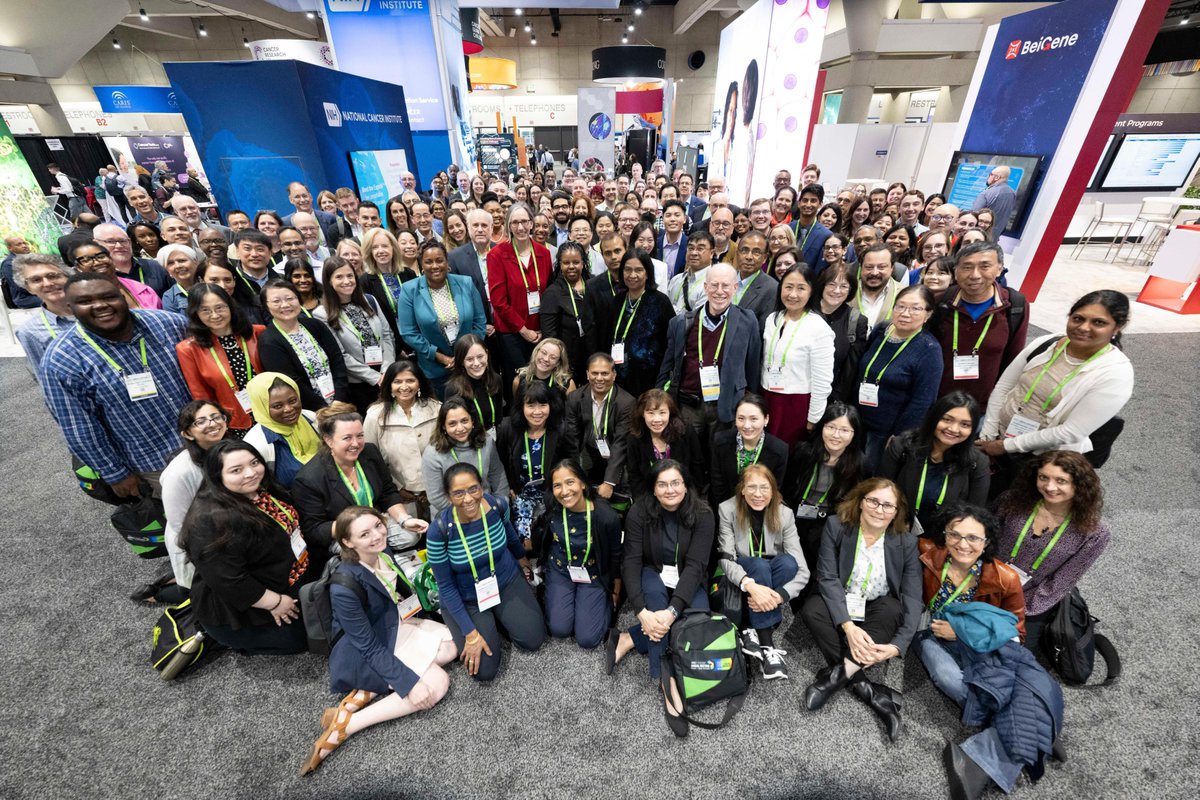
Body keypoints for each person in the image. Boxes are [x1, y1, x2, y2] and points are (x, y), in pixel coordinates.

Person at [302, 506, 457, 776]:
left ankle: (368, 690)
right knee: (435, 686)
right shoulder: (343, 586)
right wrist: (408, 684)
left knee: (451, 646)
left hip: (393, 625)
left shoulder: (382, 553)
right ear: (348, 543)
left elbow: (400, 596)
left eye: (377, 525)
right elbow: (368, 646)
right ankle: (347, 724)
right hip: (367, 648)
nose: (377, 535)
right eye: (365, 533)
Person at [40, 273, 189, 496]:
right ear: (70, 307)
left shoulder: (168, 324)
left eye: (108, 296)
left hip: (208, 442)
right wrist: (116, 474)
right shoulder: (62, 360)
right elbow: (79, 427)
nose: (100, 305)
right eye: (85, 301)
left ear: (122, 296)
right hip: (153, 463)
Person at [800, 478, 921, 740]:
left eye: (888, 505)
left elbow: (912, 596)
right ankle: (869, 690)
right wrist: (848, 626)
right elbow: (827, 576)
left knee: (892, 609)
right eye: (874, 501)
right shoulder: (836, 526)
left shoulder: (906, 542)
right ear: (861, 502)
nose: (880, 510)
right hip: (841, 598)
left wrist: (898, 645)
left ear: (897, 511)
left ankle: (834, 678)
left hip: (877, 604)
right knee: (812, 610)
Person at [976, 290, 1133, 477]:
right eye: (1078, 318)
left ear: (1118, 327)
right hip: (995, 440)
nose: (1083, 327)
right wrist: (988, 435)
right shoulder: (1047, 344)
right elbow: (1003, 387)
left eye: (1098, 322)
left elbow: (1070, 432)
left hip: (1044, 461)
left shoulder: (1115, 373)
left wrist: (1004, 446)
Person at [179, 440, 312, 654]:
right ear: (217, 476)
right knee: (303, 640)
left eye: (254, 463)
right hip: (245, 602)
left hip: (284, 573)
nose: (251, 473)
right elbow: (229, 580)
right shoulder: (211, 520)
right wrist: (275, 603)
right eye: (236, 470)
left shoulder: (260, 488)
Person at [425, 463, 545, 682]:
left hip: (505, 581)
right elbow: (446, 587)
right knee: (484, 671)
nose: (469, 499)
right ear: (448, 496)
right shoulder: (439, 530)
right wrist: (470, 634)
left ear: (482, 487)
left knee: (533, 639)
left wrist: (522, 559)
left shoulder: (497, 505)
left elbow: (509, 534)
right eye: (458, 493)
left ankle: (498, 618)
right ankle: (489, 621)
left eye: (473, 489)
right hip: (467, 597)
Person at [608, 460, 714, 693]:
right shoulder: (638, 512)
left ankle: (630, 638)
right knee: (654, 605)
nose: (670, 490)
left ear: (686, 486)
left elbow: (696, 566)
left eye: (676, 483)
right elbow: (632, 562)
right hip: (653, 570)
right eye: (662, 484)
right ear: (653, 489)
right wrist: (641, 613)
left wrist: (672, 611)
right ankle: (666, 680)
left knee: (696, 628)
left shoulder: (703, 514)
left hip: (688, 575)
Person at [993, 451, 1110, 652]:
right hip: (987, 580)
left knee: (1009, 654)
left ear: (1079, 485)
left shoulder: (1094, 534)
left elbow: (1062, 581)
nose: (1049, 487)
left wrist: (1016, 606)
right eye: (1043, 477)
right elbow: (986, 538)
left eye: (1061, 481)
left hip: (1030, 599)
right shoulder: (1012, 501)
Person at [293, 402, 428, 569]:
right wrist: (359, 528)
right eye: (347, 438)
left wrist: (404, 519)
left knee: (409, 535)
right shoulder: (309, 479)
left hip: (377, 520)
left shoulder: (369, 453)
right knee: (369, 548)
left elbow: (388, 492)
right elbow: (314, 530)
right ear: (328, 440)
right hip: (344, 533)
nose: (356, 443)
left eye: (360, 436)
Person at [915, 505, 1026, 706]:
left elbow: (1016, 632)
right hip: (927, 631)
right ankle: (990, 710)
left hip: (974, 636)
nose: (962, 544)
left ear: (987, 542)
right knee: (948, 678)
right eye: (954, 535)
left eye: (973, 538)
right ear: (944, 535)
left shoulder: (1006, 579)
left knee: (1006, 678)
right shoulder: (924, 553)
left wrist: (962, 632)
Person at [717, 463, 807, 679]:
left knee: (788, 563)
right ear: (742, 490)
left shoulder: (785, 514)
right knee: (758, 565)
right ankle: (767, 645)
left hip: (772, 576)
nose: (758, 494)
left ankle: (749, 627)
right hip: (743, 571)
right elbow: (725, 559)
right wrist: (750, 585)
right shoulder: (727, 509)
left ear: (773, 490)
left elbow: (802, 569)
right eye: (752, 487)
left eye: (764, 488)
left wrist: (779, 597)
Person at [657, 263, 761, 449]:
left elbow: (752, 365)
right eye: (714, 285)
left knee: (719, 458)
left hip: (726, 405)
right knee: (689, 455)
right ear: (705, 287)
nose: (719, 291)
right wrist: (659, 397)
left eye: (725, 285)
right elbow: (668, 365)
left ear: (735, 287)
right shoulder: (681, 323)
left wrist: (751, 402)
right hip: (689, 405)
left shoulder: (748, 321)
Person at [528, 459, 623, 649]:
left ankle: (597, 601)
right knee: (559, 629)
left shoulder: (606, 517)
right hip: (560, 568)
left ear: (583, 483)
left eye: (570, 482)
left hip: (593, 572)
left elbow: (615, 555)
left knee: (588, 639)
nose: (564, 491)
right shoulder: (552, 505)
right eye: (557, 485)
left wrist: (616, 589)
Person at [928, 242, 1028, 408]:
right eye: (967, 267)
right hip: (936, 400)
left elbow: (1013, 359)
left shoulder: (1015, 306)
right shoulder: (941, 302)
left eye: (985, 266)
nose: (975, 275)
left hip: (982, 406)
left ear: (999, 269)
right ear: (956, 271)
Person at [856, 284, 943, 474]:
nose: (905, 313)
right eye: (901, 306)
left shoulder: (929, 349)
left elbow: (924, 400)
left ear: (928, 314)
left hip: (886, 432)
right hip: (860, 421)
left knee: (872, 475)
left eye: (915, 308)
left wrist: (900, 435)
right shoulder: (881, 331)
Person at [781, 402, 864, 595]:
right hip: (797, 514)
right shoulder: (804, 451)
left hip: (830, 521)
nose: (836, 435)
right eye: (831, 427)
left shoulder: (859, 462)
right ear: (822, 428)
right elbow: (787, 486)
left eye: (844, 430)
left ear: (854, 434)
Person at [881, 392, 990, 534]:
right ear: (934, 417)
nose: (953, 429)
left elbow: (974, 514)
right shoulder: (903, 446)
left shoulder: (977, 463)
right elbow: (880, 491)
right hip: (896, 531)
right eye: (947, 419)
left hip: (941, 541)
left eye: (965, 424)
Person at [760, 263, 836, 447]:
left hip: (796, 403)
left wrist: (814, 418)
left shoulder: (819, 328)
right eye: (788, 287)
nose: (793, 294)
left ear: (811, 291)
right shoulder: (773, 319)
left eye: (801, 288)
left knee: (787, 453)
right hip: (767, 396)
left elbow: (822, 380)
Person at [176, 284, 266, 436]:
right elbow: (201, 396)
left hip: (270, 411)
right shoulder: (188, 349)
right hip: (233, 423)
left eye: (220, 308)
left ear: (230, 306)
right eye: (205, 310)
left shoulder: (257, 332)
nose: (215, 315)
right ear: (195, 313)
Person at [161, 400, 231, 595]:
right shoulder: (179, 473)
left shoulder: (233, 449)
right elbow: (179, 525)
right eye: (200, 421)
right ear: (187, 433)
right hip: (203, 548)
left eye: (216, 417)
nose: (212, 423)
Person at [313, 257, 395, 415]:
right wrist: (375, 378)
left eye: (350, 276)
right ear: (329, 281)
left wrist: (387, 370)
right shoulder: (322, 314)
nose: (346, 281)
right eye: (339, 277)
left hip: (386, 373)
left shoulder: (369, 300)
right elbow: (339, 355)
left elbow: (387, 334)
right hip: (359, 384)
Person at [363, 360, 441, 519]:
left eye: (410, 380)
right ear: (389, 385)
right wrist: (394, 489)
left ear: (419, 383)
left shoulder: (436, 409)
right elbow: (369, 460)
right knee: (408, 537)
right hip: (400, 497)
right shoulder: (374, 416)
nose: (404, 387)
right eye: (397, 382)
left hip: (438, 490)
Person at [488, 202, 553, 389]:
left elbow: (548, 293)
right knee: (518, 381)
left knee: (540, 380)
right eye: (515, 222)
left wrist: (542, 328)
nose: (520, 227)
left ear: (532, 223)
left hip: (540, 331)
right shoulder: (497, 255)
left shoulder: (544, 253)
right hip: (512, 333)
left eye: (525, 221)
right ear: (508, 225)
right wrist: (524, 330)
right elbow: (499, 301)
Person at [258, 280, 349, 410]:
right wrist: (324, 408)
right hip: (310, 410)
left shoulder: (315, 325)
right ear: (266, 306)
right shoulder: (269, 341)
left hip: (341, 401)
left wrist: (339, 399)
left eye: (290, 298)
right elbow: (291, 381)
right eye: (276, 301)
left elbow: (337, 360)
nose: (285, 305)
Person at [563, 353, 636, 501]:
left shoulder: (626, 403)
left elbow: (620, 443)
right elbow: (572, 438)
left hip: (614, 449)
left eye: (605, 373)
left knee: (619, 482)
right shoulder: (575, 398)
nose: (599, 378)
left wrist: (609, 482)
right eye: (595, 373)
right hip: (587, 447)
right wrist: (574, 474)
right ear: (587, 374)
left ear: (614, 375)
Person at [421, 398, 510, 514]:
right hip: (451, 514)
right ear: (443, 426)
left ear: (472, 421)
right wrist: (470, 514)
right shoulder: (432, 453)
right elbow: (436, 497)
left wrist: (499, 504)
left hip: (487, 509)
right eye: (452, 424)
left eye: (464, 421)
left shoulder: (486, 442)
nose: (460, 428)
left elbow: (498, 477)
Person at [609, 252, 673, 398]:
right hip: (619, 378)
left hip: (650, 380)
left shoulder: (660, 301)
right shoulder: (617, 301)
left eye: (638, 270)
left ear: (647, 273)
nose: (632, 275)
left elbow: (670, 342)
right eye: (627, 269)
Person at [624, 388, 706, 499]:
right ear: (642, 414)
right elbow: (634, 476)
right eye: (650, 413)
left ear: (670, 413)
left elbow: (697, 468)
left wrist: (691, 498)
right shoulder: (634, 438)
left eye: (662, 413)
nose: (657, 419)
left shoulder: (685, 432)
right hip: (650, 497)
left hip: (684, 496)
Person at [709, 394, 788, 506]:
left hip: (760, 505)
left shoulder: (779, 450)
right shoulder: (720, 441)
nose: (746, 425)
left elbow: (774, 488)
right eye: (741, 418)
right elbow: (717, 482)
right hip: (725, 504)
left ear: (766, 419)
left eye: (753, 419)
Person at [243, 372, 320, 488]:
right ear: (261, 406)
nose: (289, 409)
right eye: (277, 406)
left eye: (293, 401)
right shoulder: (256, 444)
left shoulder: (311, 418)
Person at [814, 263, 869, 405]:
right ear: (823, 285)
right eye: (831, 284)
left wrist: (836, 401)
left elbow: (850, 370)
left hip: (831, 397)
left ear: (851, 290)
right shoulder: (807, 311)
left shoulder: (857, 321)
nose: (837, 291)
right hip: (798, 390)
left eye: (844, 286)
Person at [539, 242, 592, 387]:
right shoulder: (552, 293)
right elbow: (549, 334)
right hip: (567, 361)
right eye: (566, 263)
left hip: (592, 356)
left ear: (583, 262)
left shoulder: (594, 285)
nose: (571, 266)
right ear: (560, 265)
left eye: (576, 262)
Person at [12, 255, 76, 377]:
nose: (47, 283)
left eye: (53, 276)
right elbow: (45, 377)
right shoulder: (29, 331)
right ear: (28, 288)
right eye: (36, 280)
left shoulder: (95, 310)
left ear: (67, 277)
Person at [444, 334, 506, 438]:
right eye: (469, 359)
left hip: (494, 436)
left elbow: (499, 416)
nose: (476, 363)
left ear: (487, 354)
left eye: (480, 356)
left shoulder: (496, 380)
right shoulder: (453, 389)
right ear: (462, 362)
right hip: (469, 441)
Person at [92, 223, 174, 297]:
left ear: (130, 242)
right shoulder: (96, 277)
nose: (119, 245)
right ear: (96, 244)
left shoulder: (156, 266)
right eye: (110, 241)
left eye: (123, 241)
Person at [731, 230, 778, 325]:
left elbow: (762, 330)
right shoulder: (726, 280)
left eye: (756, 252)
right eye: (744, 250)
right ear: (737, 253)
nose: (749, 257)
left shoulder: (772, 289)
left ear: (765, 258)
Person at [512, 337, 577, 401]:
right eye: (543, 353)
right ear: (536, 352)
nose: (546, 359)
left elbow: (572, 410)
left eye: (553, 357)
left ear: (558, 363)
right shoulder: (519, 380)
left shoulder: (567, 385)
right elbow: (518, 407)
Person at [855, 245, 902, 329]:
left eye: (881, 267)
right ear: (861, 267)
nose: (874, 272)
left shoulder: (904, 294)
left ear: (892, 268)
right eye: (869, 267)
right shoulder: (847, 292)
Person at [970, 165, 1017, 235]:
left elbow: (973, 217)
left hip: (981, 236)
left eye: (990, 174)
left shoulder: (986, 193)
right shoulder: (1012, 193)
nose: (988, 177)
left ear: (997, 177)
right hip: (995, 237)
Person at [158, 244, 201, 315]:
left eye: (182, 260)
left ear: (196, 262)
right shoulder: (169, 297)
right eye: (170, 263)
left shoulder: (211, 282)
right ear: (167, 270)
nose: (178, 266)